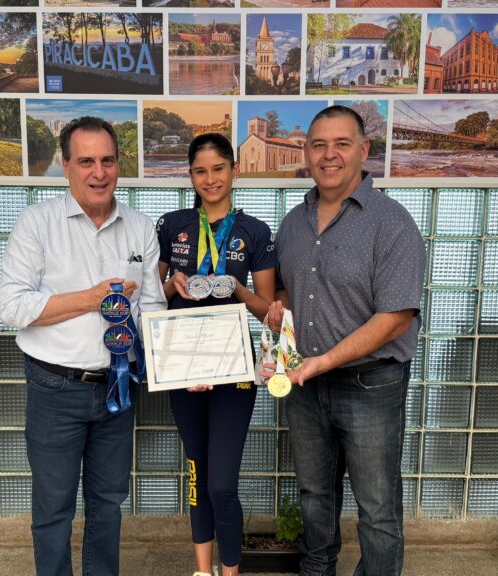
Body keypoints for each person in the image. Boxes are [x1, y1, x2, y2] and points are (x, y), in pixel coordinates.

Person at [0, 116, 167, 576]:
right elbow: (12, 306)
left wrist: (180, 361)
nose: (99, 172)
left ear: (119, 164)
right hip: (55, 388)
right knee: (53, 508)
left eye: (108, 161)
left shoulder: (140, 227)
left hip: (118, 388)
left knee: (108, 503)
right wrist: (90, 299)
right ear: (66, 164)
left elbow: (151, 307)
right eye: (87, 161)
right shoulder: (37, 223)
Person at [264, 106, 425, 576]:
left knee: (377, 507)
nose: (329, 155)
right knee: (315, 495)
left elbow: (396, 318)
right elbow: (288, 292)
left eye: (341, 144)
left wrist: (326, 360)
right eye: (319, 145)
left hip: (370, 384)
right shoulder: (293, 223)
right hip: (305, 383)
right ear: (306, 152)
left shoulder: (392, 222)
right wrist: (279, 316)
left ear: (363, 150)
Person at [156, 133, 276, 576]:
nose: (210, 179)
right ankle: (202, 572)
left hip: (232, 367)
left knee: (222, 484)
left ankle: (230, 572)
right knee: (198, 475)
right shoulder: (172, 225)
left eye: (218, 169)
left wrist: (237, 288)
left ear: (234, 170)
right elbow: (151, 299)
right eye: (200, 171)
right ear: (190, 175)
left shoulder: (254, 232)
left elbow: (268, 311)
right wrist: (172, 285)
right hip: (183, 365)